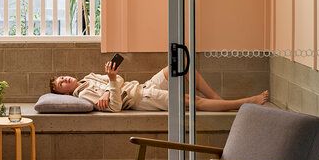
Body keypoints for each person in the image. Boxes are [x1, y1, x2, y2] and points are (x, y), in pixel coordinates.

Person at [50, 61, 269, 112]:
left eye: (62, 77)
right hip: (141, 99)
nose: (64, 79)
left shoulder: (89, 77)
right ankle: (245, 103)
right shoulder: (84, 94)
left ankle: (219, 101)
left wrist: (111, 81)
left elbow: (120, 80)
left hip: (142, 85)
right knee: (188, 100)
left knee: (181, 65)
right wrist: (112, 84)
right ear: (64, 93)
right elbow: (115, 107)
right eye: (60, 84)